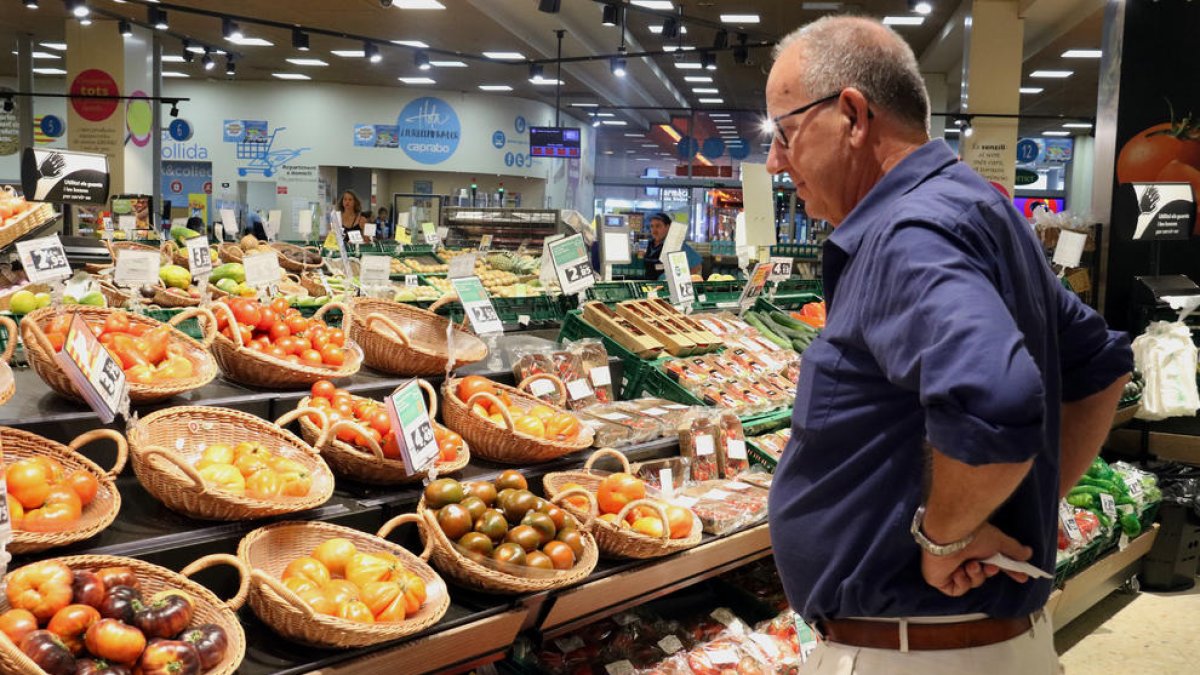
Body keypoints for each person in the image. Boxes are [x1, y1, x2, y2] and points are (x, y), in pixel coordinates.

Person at [763, 16, 1132, 674]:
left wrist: (947, 533)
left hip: (913, 654)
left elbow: (996, 398)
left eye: (784, 133)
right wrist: (1010, 504)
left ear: (851, 114)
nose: (774, 161)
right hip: (982, 645)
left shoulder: (907, 231)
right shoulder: (973, 207)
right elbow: (1099, 365)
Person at [642, 212, 702, 279]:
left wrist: (681, 279)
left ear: (668, 227)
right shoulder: (650, 244)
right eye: (652, 226)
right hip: (648, 286)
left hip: (665, 287)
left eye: (658, 226)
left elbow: (697, 266)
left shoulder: (676, 245)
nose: (654, 230)